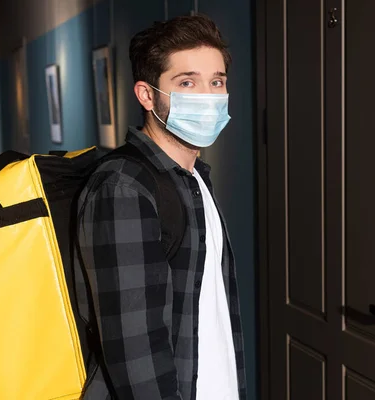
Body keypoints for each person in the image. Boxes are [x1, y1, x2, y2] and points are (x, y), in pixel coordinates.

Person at [75, 15, 246, 400]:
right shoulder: (124, 188)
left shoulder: (194, 176)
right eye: (187, 82)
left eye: (216, 81)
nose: (208, 95)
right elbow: (135, 351)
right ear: (147, 95)